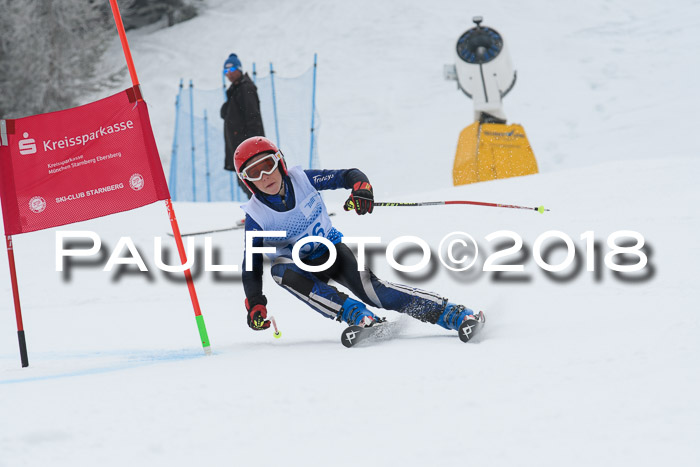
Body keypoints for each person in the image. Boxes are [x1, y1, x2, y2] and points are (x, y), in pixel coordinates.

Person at [236, 136, 484, 339]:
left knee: (375, 292)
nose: (264, 177)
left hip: (331, 251)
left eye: (267, 165)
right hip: (300, 269)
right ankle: (358, 316)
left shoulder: (303, 180)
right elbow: (251, 264)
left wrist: (361, 188)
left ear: (279, 162)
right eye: (253, 173)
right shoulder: (257, 216)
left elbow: (348, 175)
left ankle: (452, 313)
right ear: (247, 181)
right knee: (279, 270)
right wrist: (256, 302)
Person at [220, 53, 265, 198]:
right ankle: (260, 211)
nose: (229, 74)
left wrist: (253, 145)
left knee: (251, 180)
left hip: (248, 146)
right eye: (226, 71)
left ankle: (265, 211)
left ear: (239, 69)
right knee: (246, 180)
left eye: (232, 69)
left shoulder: (245, 89)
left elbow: (253, 118)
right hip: (240, 146)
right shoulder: (235, 90)